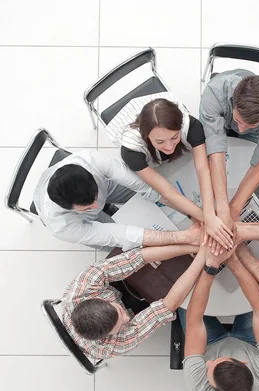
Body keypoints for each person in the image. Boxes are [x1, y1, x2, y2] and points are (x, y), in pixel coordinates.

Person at [106, 92, 234, 251]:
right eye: (160, 142)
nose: (168, 146)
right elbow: (167, 190)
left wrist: (209, 214)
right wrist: (207, 219)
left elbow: (203, 170)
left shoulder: (192, 126)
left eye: (174, 137)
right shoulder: (131, 151)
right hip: (128, 126)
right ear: (146, 137)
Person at [61, 238, 205, 359]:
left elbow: (135, 258)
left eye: (120, 312)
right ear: (108, 335)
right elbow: (165, 307)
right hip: (99, 343)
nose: (127, 318)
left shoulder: (85, 285)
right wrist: (203, 257)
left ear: (102, 300)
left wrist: (195, 246)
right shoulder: (115, 345)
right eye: (119, 326)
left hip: (103, 292)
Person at [182, 244, 259, 391]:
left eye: (208, 367)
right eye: (213, 363)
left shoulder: (198, 383)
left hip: (209, 345)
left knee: (184, 300)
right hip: (249, 344)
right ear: (243, 362)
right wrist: (233, 260)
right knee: (257, 292)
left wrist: (211, 266)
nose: (207, 362)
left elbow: (194, 320)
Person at [34, 150, 195, 251]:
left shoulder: (91, 160)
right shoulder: (62, 226)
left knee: (147, 189)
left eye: (96, 198)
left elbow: (142, 185)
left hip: (104, 187)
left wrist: (190, 212)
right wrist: (182, 237)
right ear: (70, 208)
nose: (97, 206)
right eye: (87, 207)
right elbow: (122, 235)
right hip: (84, 223)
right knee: (127, 248)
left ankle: (97, 198)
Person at [200, 69, 259, 244]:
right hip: (218, 114)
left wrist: (234, 210)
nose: (240, 129)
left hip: (257, 133)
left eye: (249, 123)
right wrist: (222, 208)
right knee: (205, 155)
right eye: (239, 120)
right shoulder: (215, 92)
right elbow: (217, 155)